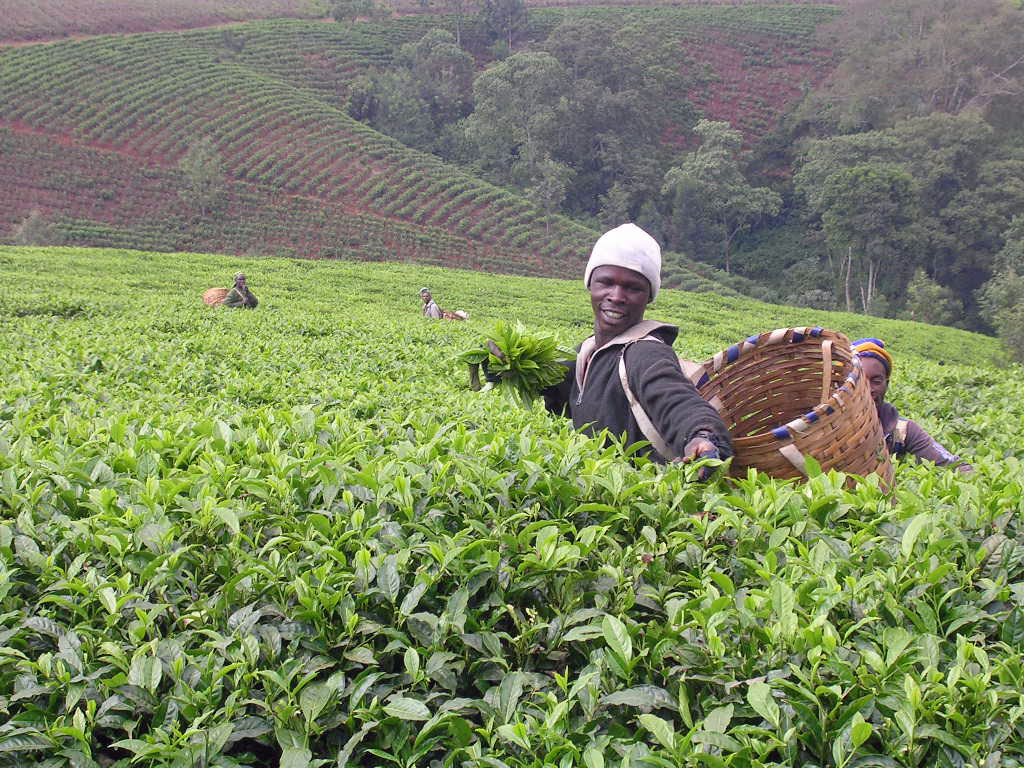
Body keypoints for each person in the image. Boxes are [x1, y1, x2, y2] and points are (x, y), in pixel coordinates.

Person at [541, 223, 733, 470]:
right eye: (606, 282)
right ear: (590, 284)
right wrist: (508, 363)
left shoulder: (645, 353)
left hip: (639, 500)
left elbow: (675, 399)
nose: (617, 296)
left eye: (633, 288)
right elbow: (552, 385)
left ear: (648, 296)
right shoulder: (587, 352)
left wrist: (702, 437)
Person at [853, 338, 972, 473]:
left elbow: (956, 466)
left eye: (876, 381)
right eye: (859, 379)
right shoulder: (829, 426)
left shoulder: (900, 430)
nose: (868, 389)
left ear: (886, 384)